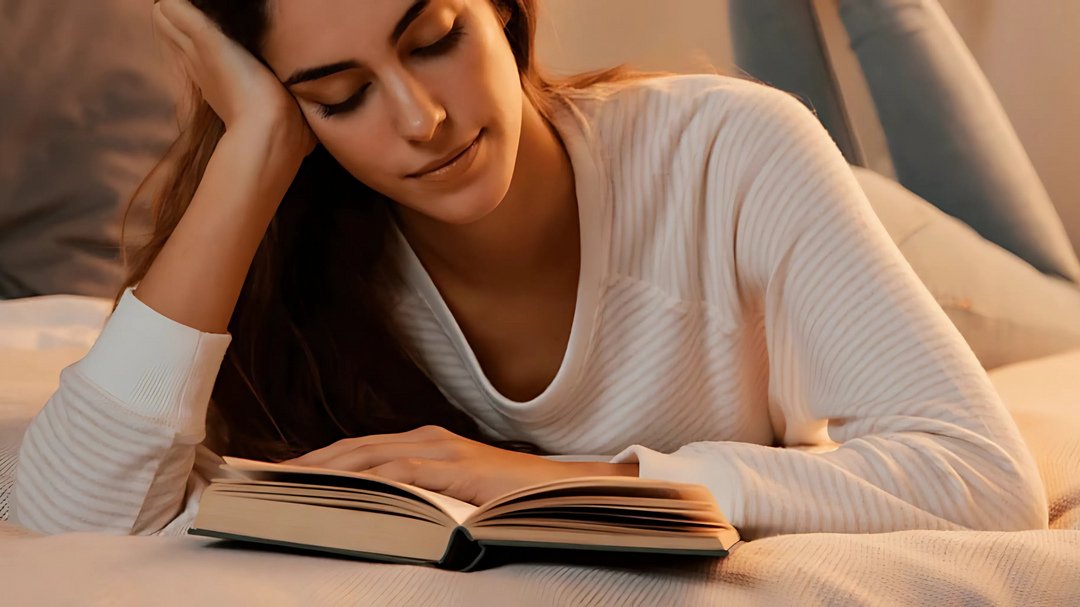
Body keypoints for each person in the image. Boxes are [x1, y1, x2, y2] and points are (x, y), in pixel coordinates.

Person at [13, 0, 1046, 540]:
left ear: (501, 8)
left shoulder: (735, 150)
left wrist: (576, 484)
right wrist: (251, 152)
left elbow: (984, 474)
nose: (421, 121)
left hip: (857, 231)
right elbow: (70, 516)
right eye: (336, 97)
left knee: (1061, 306)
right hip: (768, 235)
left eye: (432, 39)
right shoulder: (308, 250)